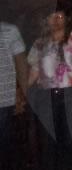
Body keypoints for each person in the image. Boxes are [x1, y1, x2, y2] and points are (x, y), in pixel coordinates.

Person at [27, 3, 72, 170]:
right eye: (52, 17)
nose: (56, 20)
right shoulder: (40, 43)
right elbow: (35, 71)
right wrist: (20, 91)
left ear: (66, 20)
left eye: (61, 17)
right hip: (46, 97)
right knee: (48, 138)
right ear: (46, 20)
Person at [0, 21, 28, 163]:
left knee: (4, 145)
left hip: (4, 100)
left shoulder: (9, 30)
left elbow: (22, 64)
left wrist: (23, 95)